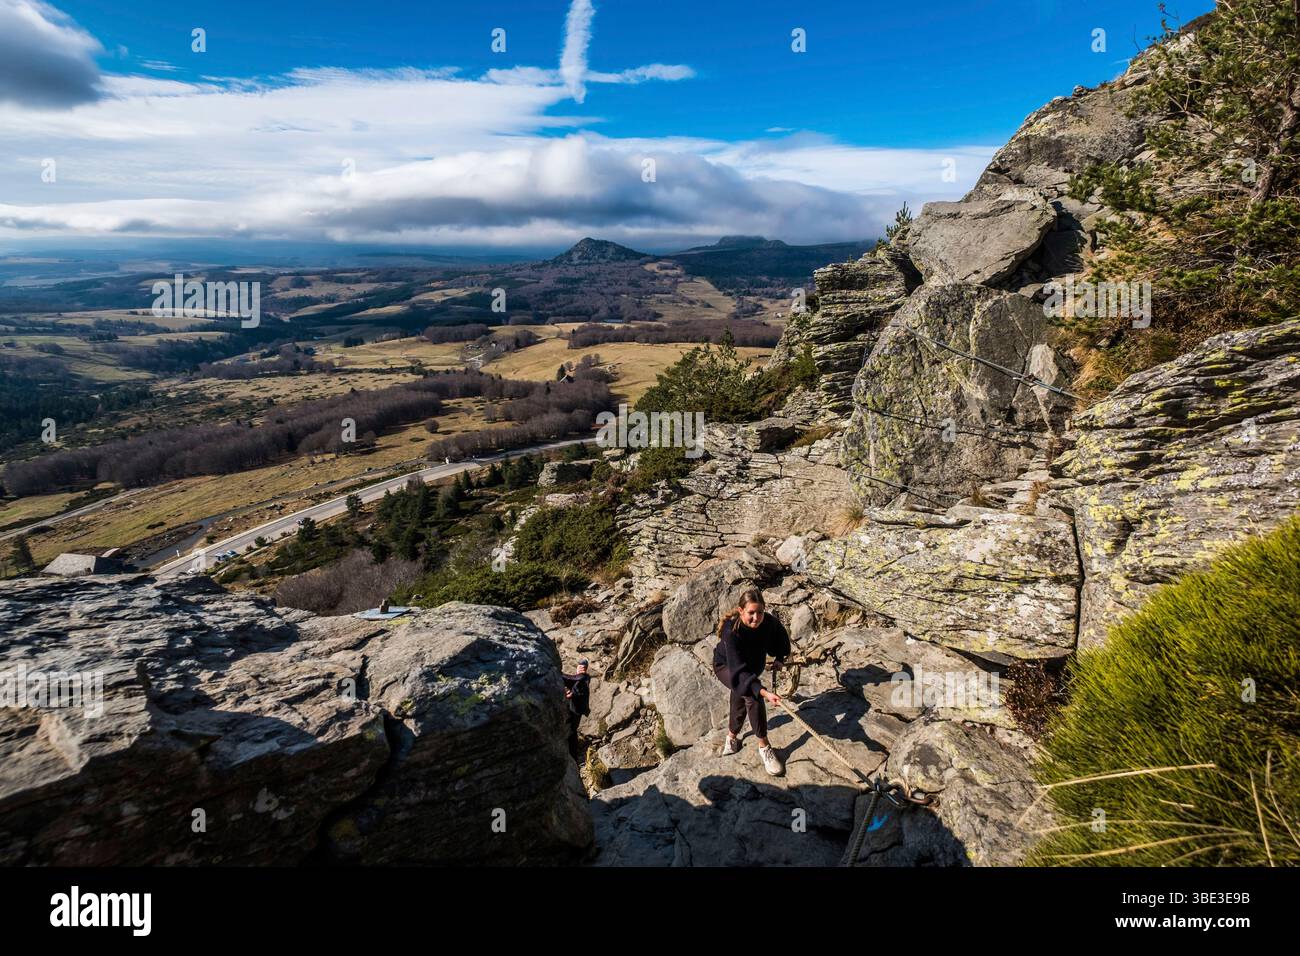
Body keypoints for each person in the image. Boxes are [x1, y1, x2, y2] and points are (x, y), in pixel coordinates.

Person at [712, 588, 790, 775]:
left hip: (753, 666)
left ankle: (731, 736)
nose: (756, 618)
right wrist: (764, 692)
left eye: (760, 612)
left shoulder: (769, 622)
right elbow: (740, 672)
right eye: (751, 613)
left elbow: (781, 637)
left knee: (740, 693)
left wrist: (779, 657)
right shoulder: (732, 631)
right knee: (751, 695)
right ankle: (764, 746)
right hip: (727, 666)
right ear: (741, 611)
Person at [562, 659, 591, 762]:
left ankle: (573, 756)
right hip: (574, 709)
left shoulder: (583, 677)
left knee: (572, 732)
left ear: (585, 669)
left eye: (584, 667)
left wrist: (558, 674)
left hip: (576, 711)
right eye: (580, 666)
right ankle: (573, 755)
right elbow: (574, 686)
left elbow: (569, 679)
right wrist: (571, 693)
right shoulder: (580, 679)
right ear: (577, 667)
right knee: (571, 731)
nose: (582, 668)